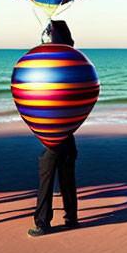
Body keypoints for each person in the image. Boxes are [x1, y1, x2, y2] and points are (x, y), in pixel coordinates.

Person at [28, 20, 78, 237]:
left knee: (46, 180)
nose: (46, 36)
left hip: (54, 135)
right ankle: (71, 218)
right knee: (67, 180)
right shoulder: (74, 61)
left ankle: (42, 223)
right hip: (68, 133)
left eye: (49, 33)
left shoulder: (52, 61)